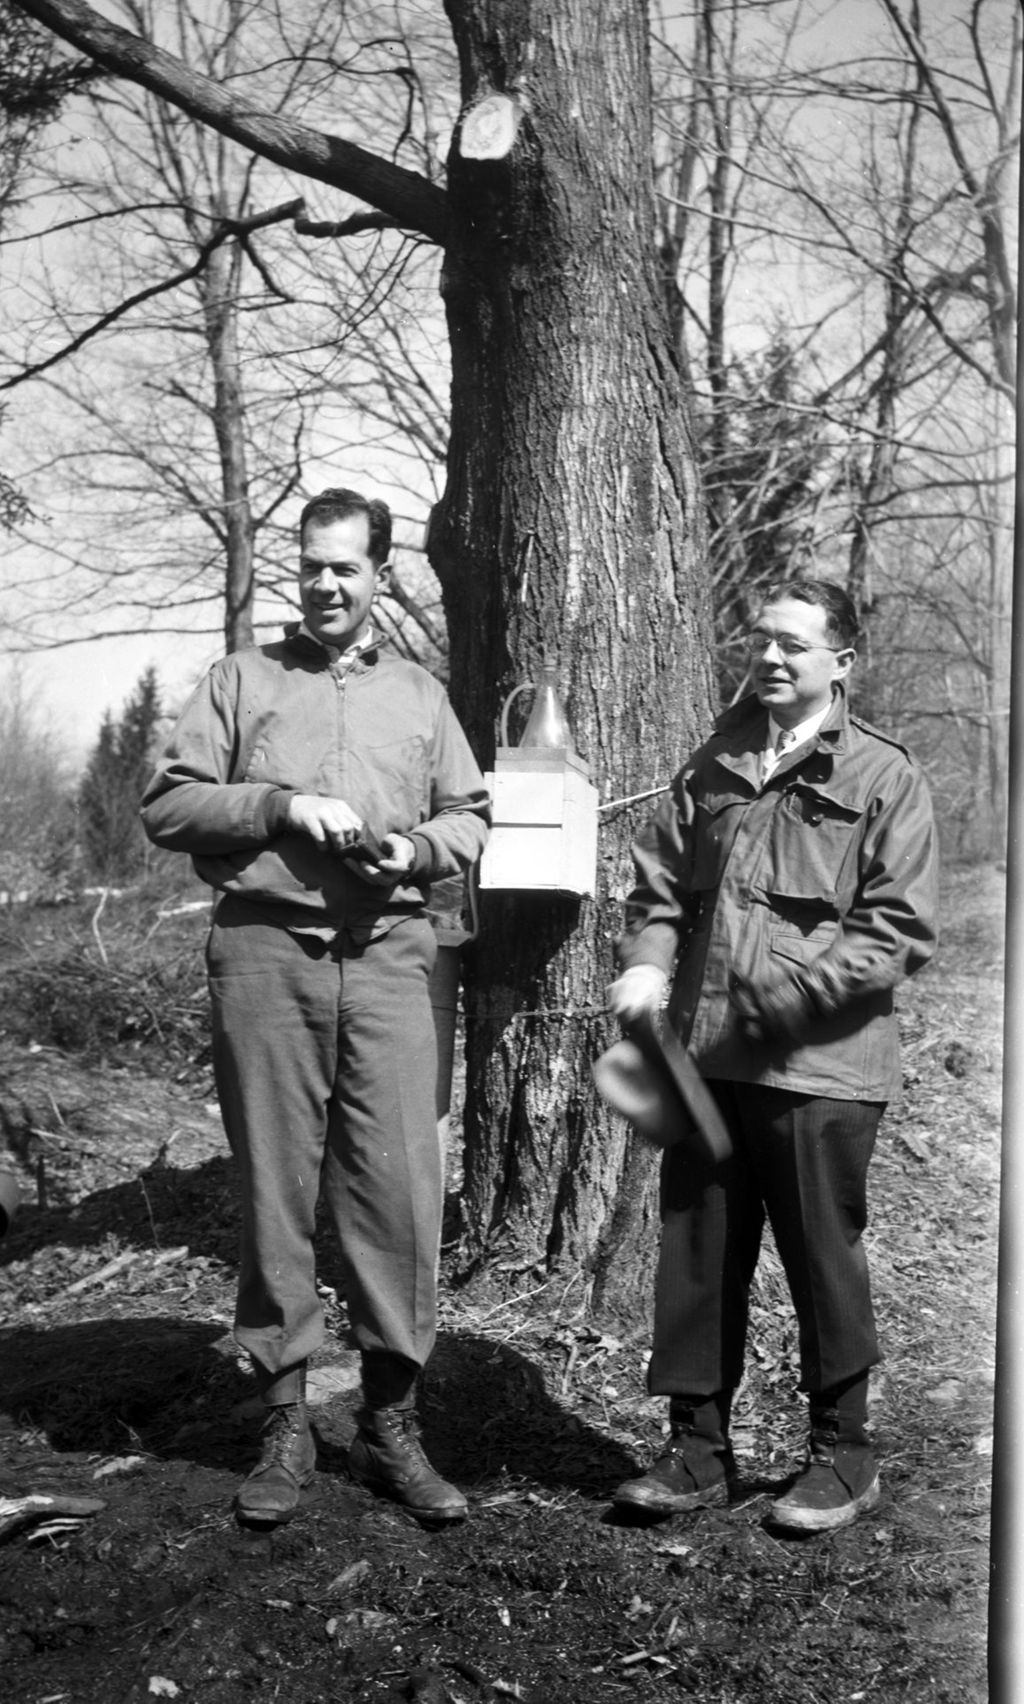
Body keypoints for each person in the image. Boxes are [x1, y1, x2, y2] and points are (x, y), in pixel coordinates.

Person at [141, 487, 490, 1527]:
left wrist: (414, 849)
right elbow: (167, 803)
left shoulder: (421, 695)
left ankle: (391, 1424)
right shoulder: (241, 680)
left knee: (399, 1191)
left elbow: (469, 815)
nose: (326, 584)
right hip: (261, 957)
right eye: (312, 566)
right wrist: (279, 804)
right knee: (276, 1189)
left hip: (389, 958)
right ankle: (286, 1419)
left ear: (382, 575)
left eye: (346, 566)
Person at [606, 578, 938, 1533]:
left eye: (795, 644)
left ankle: (844, 1455)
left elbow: (897, 930)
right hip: (706, 1061)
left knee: (820, 1258)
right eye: (761, 640)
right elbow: (661, 892)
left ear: (843, 662)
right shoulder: (713, 761)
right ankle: (696, 1453)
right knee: (698, 1256)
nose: (772, 658)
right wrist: (648, 965)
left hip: (822, 1067)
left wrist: (784, 1002)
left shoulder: (884, 777)